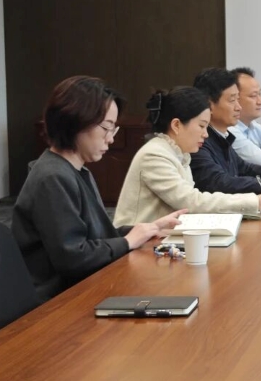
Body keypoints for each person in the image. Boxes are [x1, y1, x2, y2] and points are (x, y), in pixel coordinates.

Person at [11, 76, 182, 301]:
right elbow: (73, 259)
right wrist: (128, 241)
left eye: (113, 129)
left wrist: (146, 229)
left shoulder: (76, 171)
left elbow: (96, 237)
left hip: (82, 286)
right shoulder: (53, 177)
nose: (110, 139)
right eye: (107, 128)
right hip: (59, 300)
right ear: (75, 121)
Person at [114, 87, 261, 226]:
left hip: (165, 237)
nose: (205, 134)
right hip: (138, 246)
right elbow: (191, 201)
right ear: (176, 125)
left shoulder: (179, 152)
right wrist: (253, 202)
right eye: (201, 126)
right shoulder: (154, 155)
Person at [189, 68, 261, 195]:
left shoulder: (222, 136)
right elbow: (220, 182)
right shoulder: (199, 141)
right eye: (232, 100)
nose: (238, 107)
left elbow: (246, 169)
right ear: (209, 105)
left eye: (238, 99)